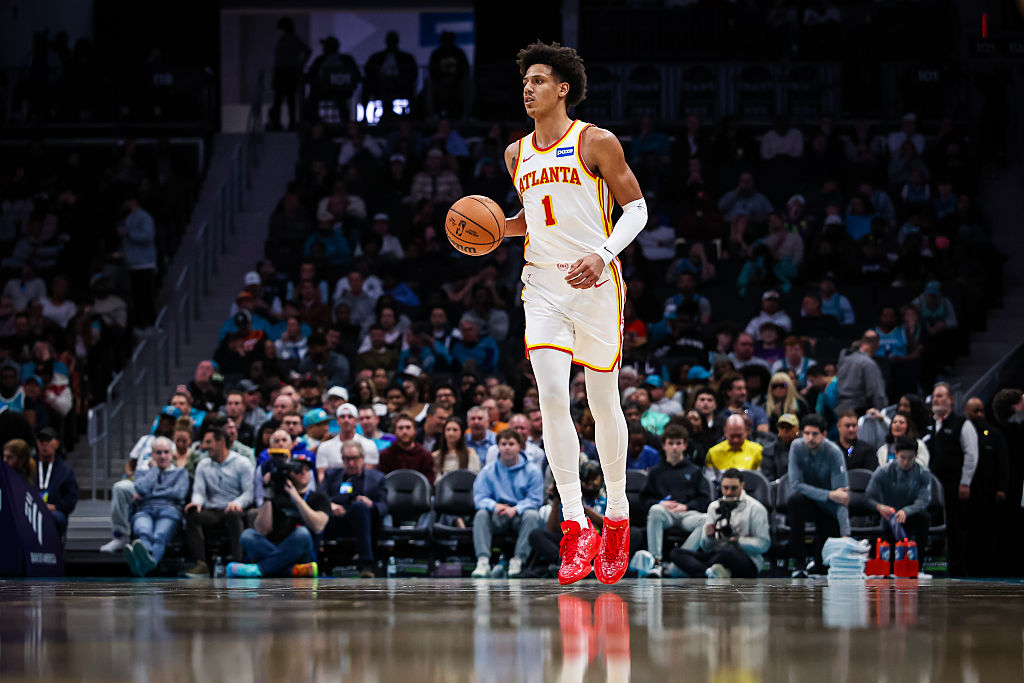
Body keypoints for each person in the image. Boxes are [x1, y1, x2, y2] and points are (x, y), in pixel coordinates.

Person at [499, 42, 646, 587]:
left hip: (596, 285)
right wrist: (494, 228)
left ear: (562, 88)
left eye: (538, 81)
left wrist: (603, 253)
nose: (528, 89)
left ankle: (617, 514)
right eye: (525, 82)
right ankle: (574, 522)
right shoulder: (516, 155)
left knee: (604, 405)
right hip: (542, 285)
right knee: (552, 398)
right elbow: (529, 220)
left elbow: (637, 209)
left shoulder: (595, 141)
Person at [228, 450, 327, 578]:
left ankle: (259, 569)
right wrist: (268, 494)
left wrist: (296, 497)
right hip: (273, 545)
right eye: (298, 469)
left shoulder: (318, 497)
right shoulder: (276, 494)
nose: (303, 472)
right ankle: (292, 570)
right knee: (247, 535)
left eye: (307, 469)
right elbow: (262, 529)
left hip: (302, 550)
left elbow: (318, 527)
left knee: (302, 533)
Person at [638, 424, 711, 577]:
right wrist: (659, 503)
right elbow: (643, 500)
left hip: (687, 514)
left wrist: (686, 507)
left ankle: (680, 561)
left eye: (678, 443)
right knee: (655, 510)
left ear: (685, 445)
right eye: (671, 443)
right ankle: (656, 562)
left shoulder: (695, 470)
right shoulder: (655, 472)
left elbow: (705, 500)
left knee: (705, 520)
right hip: (665, 514)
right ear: (664, 445)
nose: (675, 447)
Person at [670, 468, 771, 578]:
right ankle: (708, 572)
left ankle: (699, 570)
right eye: (725, 488)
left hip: (746, 558)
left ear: (742, 486)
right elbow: (706, 548)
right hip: (717, 553)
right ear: (720, 487)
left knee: (727, 552)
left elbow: (764, 544)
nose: (729, 492)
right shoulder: (714, 507)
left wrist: (737, 541)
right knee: (676, 553)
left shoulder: (756, 508)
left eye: (734, 488)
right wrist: (709, 537)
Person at [470, 429, 544, 579]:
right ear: (498, 446)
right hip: (498, 514)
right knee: (481, 514)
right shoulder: (488, 471)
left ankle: (518, 560)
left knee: (532, 514)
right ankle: (483, 561)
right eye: (503, 444)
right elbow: (480, 497)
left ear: (519, 447)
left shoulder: (532, 471)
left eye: (511, 444)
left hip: (520, 515)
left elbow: (536, 499)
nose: (507, 447)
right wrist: (494, 506)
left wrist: (517, 508)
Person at [183, 427, 254, 577]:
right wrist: (196, 503)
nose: (204, 447)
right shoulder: (203, 464)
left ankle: (237, 563)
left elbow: (249, 493)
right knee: (192, 515)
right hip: (213, 510)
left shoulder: (242, 463)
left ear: (221, 442)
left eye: (209, 442)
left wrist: (238, 503)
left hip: (234, 507)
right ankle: (201, 564)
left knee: (234, 515)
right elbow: (199, 492)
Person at [787, 414, 851, 577]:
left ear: (824, 434)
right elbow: (796, 485)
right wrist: (829, 494)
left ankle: (818, 564)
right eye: (806, 433)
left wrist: (846, 534)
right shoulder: (796, 447)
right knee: (794, 501)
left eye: (815, 434)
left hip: (829, 508)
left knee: (822, 568)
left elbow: (842, 497)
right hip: (810, 501)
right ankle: (799, 565)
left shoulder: (834, 453)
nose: (810, 438)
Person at [924, 382, 978, 576]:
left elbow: (971, 455)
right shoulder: (929, 425)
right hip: (931, 486)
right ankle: (934, 568)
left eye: (940, 396)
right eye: (934, 396)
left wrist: (966, 482)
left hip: (954, 484)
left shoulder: (962, 424)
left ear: (951, 400)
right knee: (933, 525)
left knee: (955, 526)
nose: (936, 400)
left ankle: (957, 569)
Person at [320, 440, 387, 578]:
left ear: (362, 458)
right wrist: (330, 506)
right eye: (347, 459)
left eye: (354, 459)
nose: (351, 463)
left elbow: (384, 507)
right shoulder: (331, 475)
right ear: (342, 459)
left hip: (366, 523)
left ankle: (366, 565)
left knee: (358, 506)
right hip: (337, 521)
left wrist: (370, 504)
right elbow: (319, 498)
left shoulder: (377, 478)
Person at [124, 436, 188, 576]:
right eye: (158, 452)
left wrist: (152, 493)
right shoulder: (143, 472)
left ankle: (143, 565)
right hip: (144, 511)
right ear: (152, 455)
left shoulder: (181, 473)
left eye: (166, 452)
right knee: (144, 532)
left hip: (169, 512)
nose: (162, 456)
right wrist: (154, 471)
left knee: (159, 535)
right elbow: (141, 489)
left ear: (172, 454)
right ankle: (148, 564)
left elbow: (178, 494)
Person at [865, 436, 932, 548]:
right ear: (896, 454)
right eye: (902, 457)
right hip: (888, 516)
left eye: (910, 458)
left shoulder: (923, 473)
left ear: (916, 455)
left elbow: (923, 500)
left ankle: (918, 563)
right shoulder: (883, 472)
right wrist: (879, 507)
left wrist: (906, 511)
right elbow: (868, 497)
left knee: (924, 517)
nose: (906, 462)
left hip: (912, 515)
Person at [267, 17, 310, 131]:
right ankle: (277, 123)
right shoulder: (283, 40)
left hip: (288, 72)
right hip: (282, 72)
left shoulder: (292, 40)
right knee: (280, 100)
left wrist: (300, 65)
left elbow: (307, 50)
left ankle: (289, 124)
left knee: (288, 100)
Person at [34, 427, 77, 539]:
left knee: (55, 517)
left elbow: (71, 498)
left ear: (57, 444)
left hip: (54, 510)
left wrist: (56, 506)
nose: (44, 444)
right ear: (37, 444)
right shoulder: (29, 467)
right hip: (30, 507)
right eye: (41, 440)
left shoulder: (65, 471)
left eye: (48, 440)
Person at [316, 403, 379, 480]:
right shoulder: (324, 447)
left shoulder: (369, 445)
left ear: (356, 421)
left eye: (350, 417)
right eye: (342, 417)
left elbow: (370, 475)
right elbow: (322, 476)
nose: (346, 420)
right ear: (338, 421)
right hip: (333, 488)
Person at [835, 331, 887, 414]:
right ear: (877, 345)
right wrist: (881, 414)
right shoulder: (868, 363)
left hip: (840, 410)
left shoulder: (844, 359)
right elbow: (877, 393)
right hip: (857, 412)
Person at [704, 415, 764, 486]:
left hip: (750, 492)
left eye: (739, 435)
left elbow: (761, 481)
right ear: (725, 432)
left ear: (746, 431)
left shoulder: (758, 450)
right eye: (732, 436)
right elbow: (709, 482)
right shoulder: (713, 452)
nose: (736, 440)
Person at [377, 413, 435, 483]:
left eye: (408, 427)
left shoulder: (425, 456)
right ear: (394, 431)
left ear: (415, 430)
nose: (404, 431)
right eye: (400, 428)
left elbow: (428, 484)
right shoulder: (385, 455)